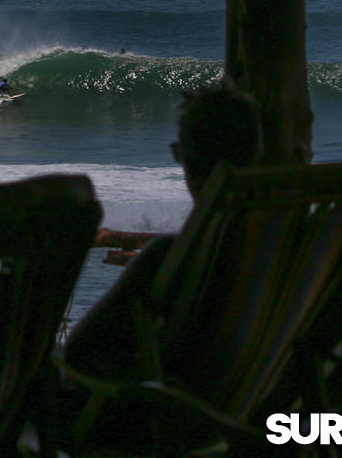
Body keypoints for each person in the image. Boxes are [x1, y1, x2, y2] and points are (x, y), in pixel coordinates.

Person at [38, 78, 263, 451]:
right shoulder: (287, 246)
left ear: (188, 162)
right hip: (240, 412)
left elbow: (79, 354)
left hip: (146, 423)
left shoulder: (166, 258)